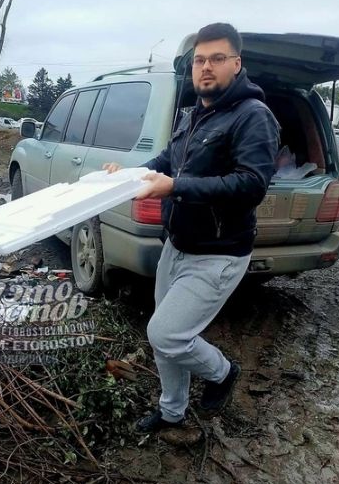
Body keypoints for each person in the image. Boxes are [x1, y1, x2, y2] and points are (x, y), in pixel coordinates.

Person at [103, 22, 280, 432]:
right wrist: (130, 174)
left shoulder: (253, 116)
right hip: (177, 245)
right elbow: (167, 161)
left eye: (217, 59)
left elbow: (252, 184)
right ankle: (172, 411)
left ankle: (222, 372)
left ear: (236, 63)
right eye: (200, 59)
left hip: (218, 252)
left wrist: (176, 187)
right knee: (166, 338)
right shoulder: (197, 114)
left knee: (166, 335)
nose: (206, 67)